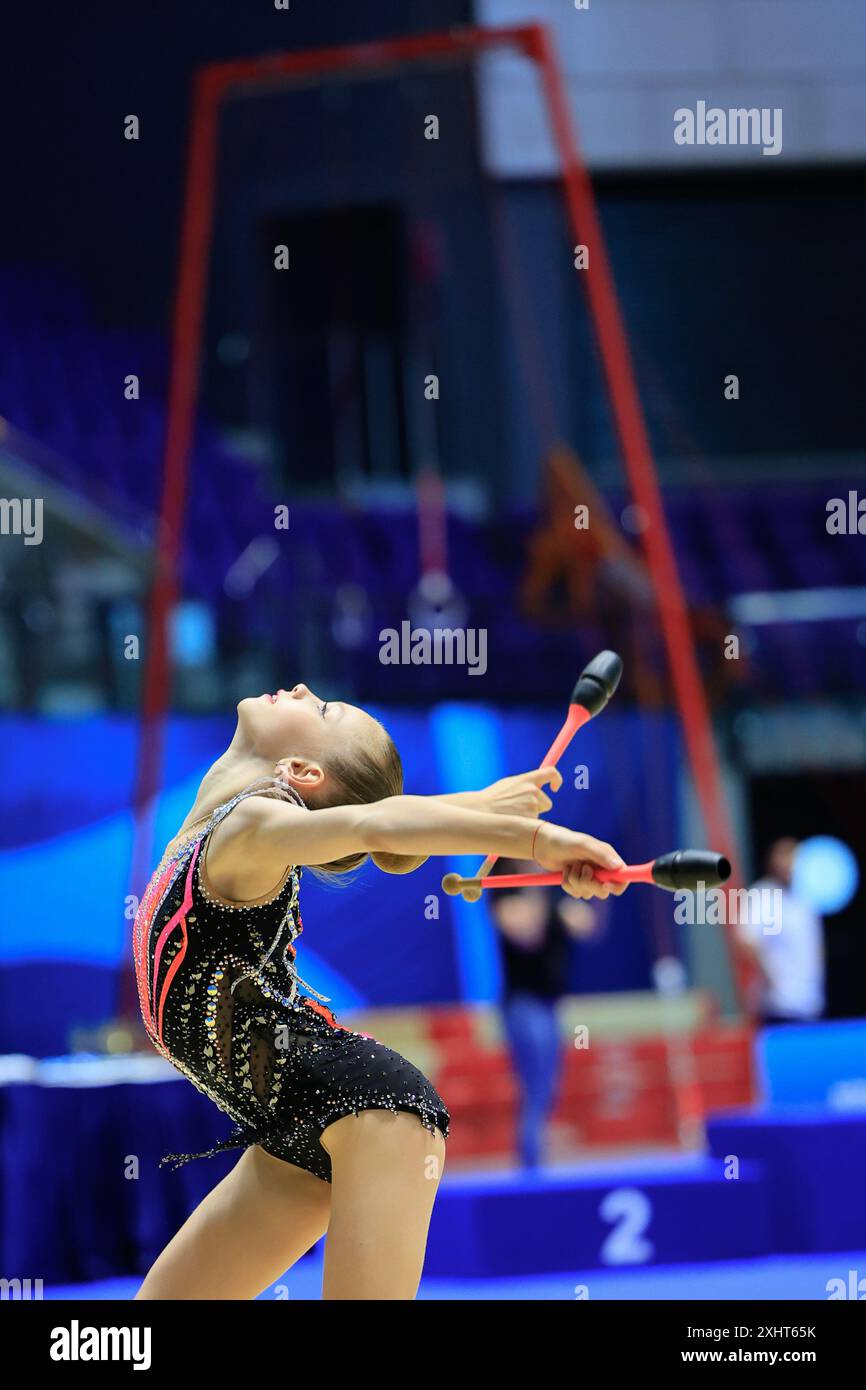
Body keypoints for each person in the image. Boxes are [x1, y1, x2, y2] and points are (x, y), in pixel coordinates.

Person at [133, 684, 627, 1300]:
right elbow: (378, 827)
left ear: (301, 772)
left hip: (372, 1111)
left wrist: (540, 842)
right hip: (289, 1125)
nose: (307, 690)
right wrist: (482, 806)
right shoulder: (219, 821)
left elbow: (372, 822)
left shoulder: (250, 827)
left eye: (321, 711)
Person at [490, 853, 602, 1168]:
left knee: (548, 1086)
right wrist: (535, 886)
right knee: (535, 1086)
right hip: (522, 1006)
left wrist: (600, 884)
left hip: (551, 1006)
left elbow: (589, 926)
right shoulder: (505, 897)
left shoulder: (555, 898)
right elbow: (528, 936)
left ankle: (535, 1160)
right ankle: (530, 1166)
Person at [736, 837, 824, 1026]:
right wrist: (771, 978)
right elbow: (745, 940)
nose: (789, 864)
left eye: (794, 858)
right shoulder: (763, 895)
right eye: (784, 858)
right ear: (772, 862)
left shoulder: (806, 897)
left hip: (810, 1002)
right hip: (778, 1006)